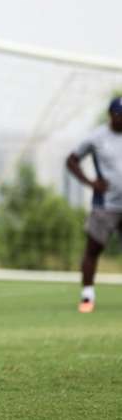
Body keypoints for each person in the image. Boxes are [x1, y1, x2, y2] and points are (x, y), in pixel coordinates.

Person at [65, 96, 122, 314]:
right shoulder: (96, 137)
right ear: (111, 115)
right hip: (105, 205)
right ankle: (87, 295)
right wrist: (90, 183)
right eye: (120, 115)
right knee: (93, 248)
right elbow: (71, 160)